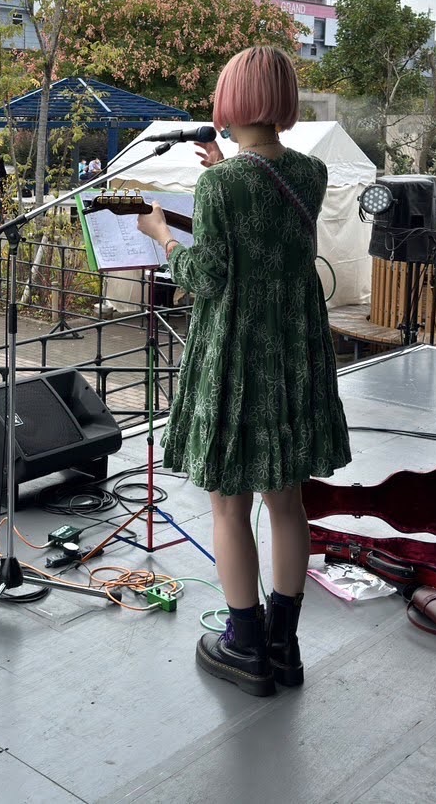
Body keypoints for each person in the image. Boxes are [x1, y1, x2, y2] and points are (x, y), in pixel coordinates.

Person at [136, 45, 351, 698]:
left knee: (228, 505)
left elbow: (206, 277)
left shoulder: (219, 186)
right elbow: (267, 212)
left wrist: (161, 236)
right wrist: (227, 170)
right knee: (285, 501)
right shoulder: (311, 172)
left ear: (231, 102)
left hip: (235, 354)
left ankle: (244, 645)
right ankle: (283, 647)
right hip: (292, 352)